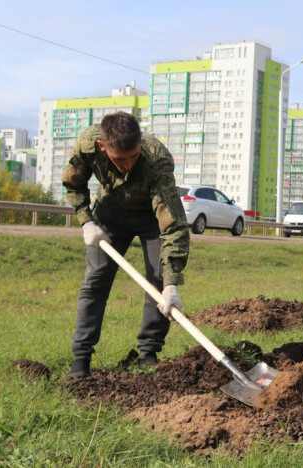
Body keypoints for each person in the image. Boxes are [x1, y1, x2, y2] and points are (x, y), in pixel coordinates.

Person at [62, 112, 190, 379]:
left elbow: (173, 223)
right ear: (102, 146)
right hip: (110, 214)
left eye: (133, 156)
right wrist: (87, 221)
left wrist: (171, 283)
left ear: (140, 140)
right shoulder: (87, 145)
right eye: (119, 159)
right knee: (95, 281)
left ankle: (148, 354)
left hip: (151, 218)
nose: (128, 165)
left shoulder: (157, 159)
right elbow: (73, 184)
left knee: (157, 283)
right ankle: (81, 357)